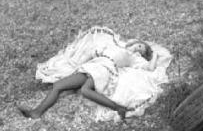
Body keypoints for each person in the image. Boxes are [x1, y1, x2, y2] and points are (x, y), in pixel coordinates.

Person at [18, 38, 157, 120]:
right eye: (139, 45)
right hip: (93, 65)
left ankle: (118, 107)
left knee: (85, 90)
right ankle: (36, 112)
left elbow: (150, 68)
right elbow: (95, 51)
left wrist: (154, 55)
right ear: (134, 43)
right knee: (58, 86)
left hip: (105, 70)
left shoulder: (133, 59)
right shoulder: (117, 46)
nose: (138, 49)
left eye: (142, 50)